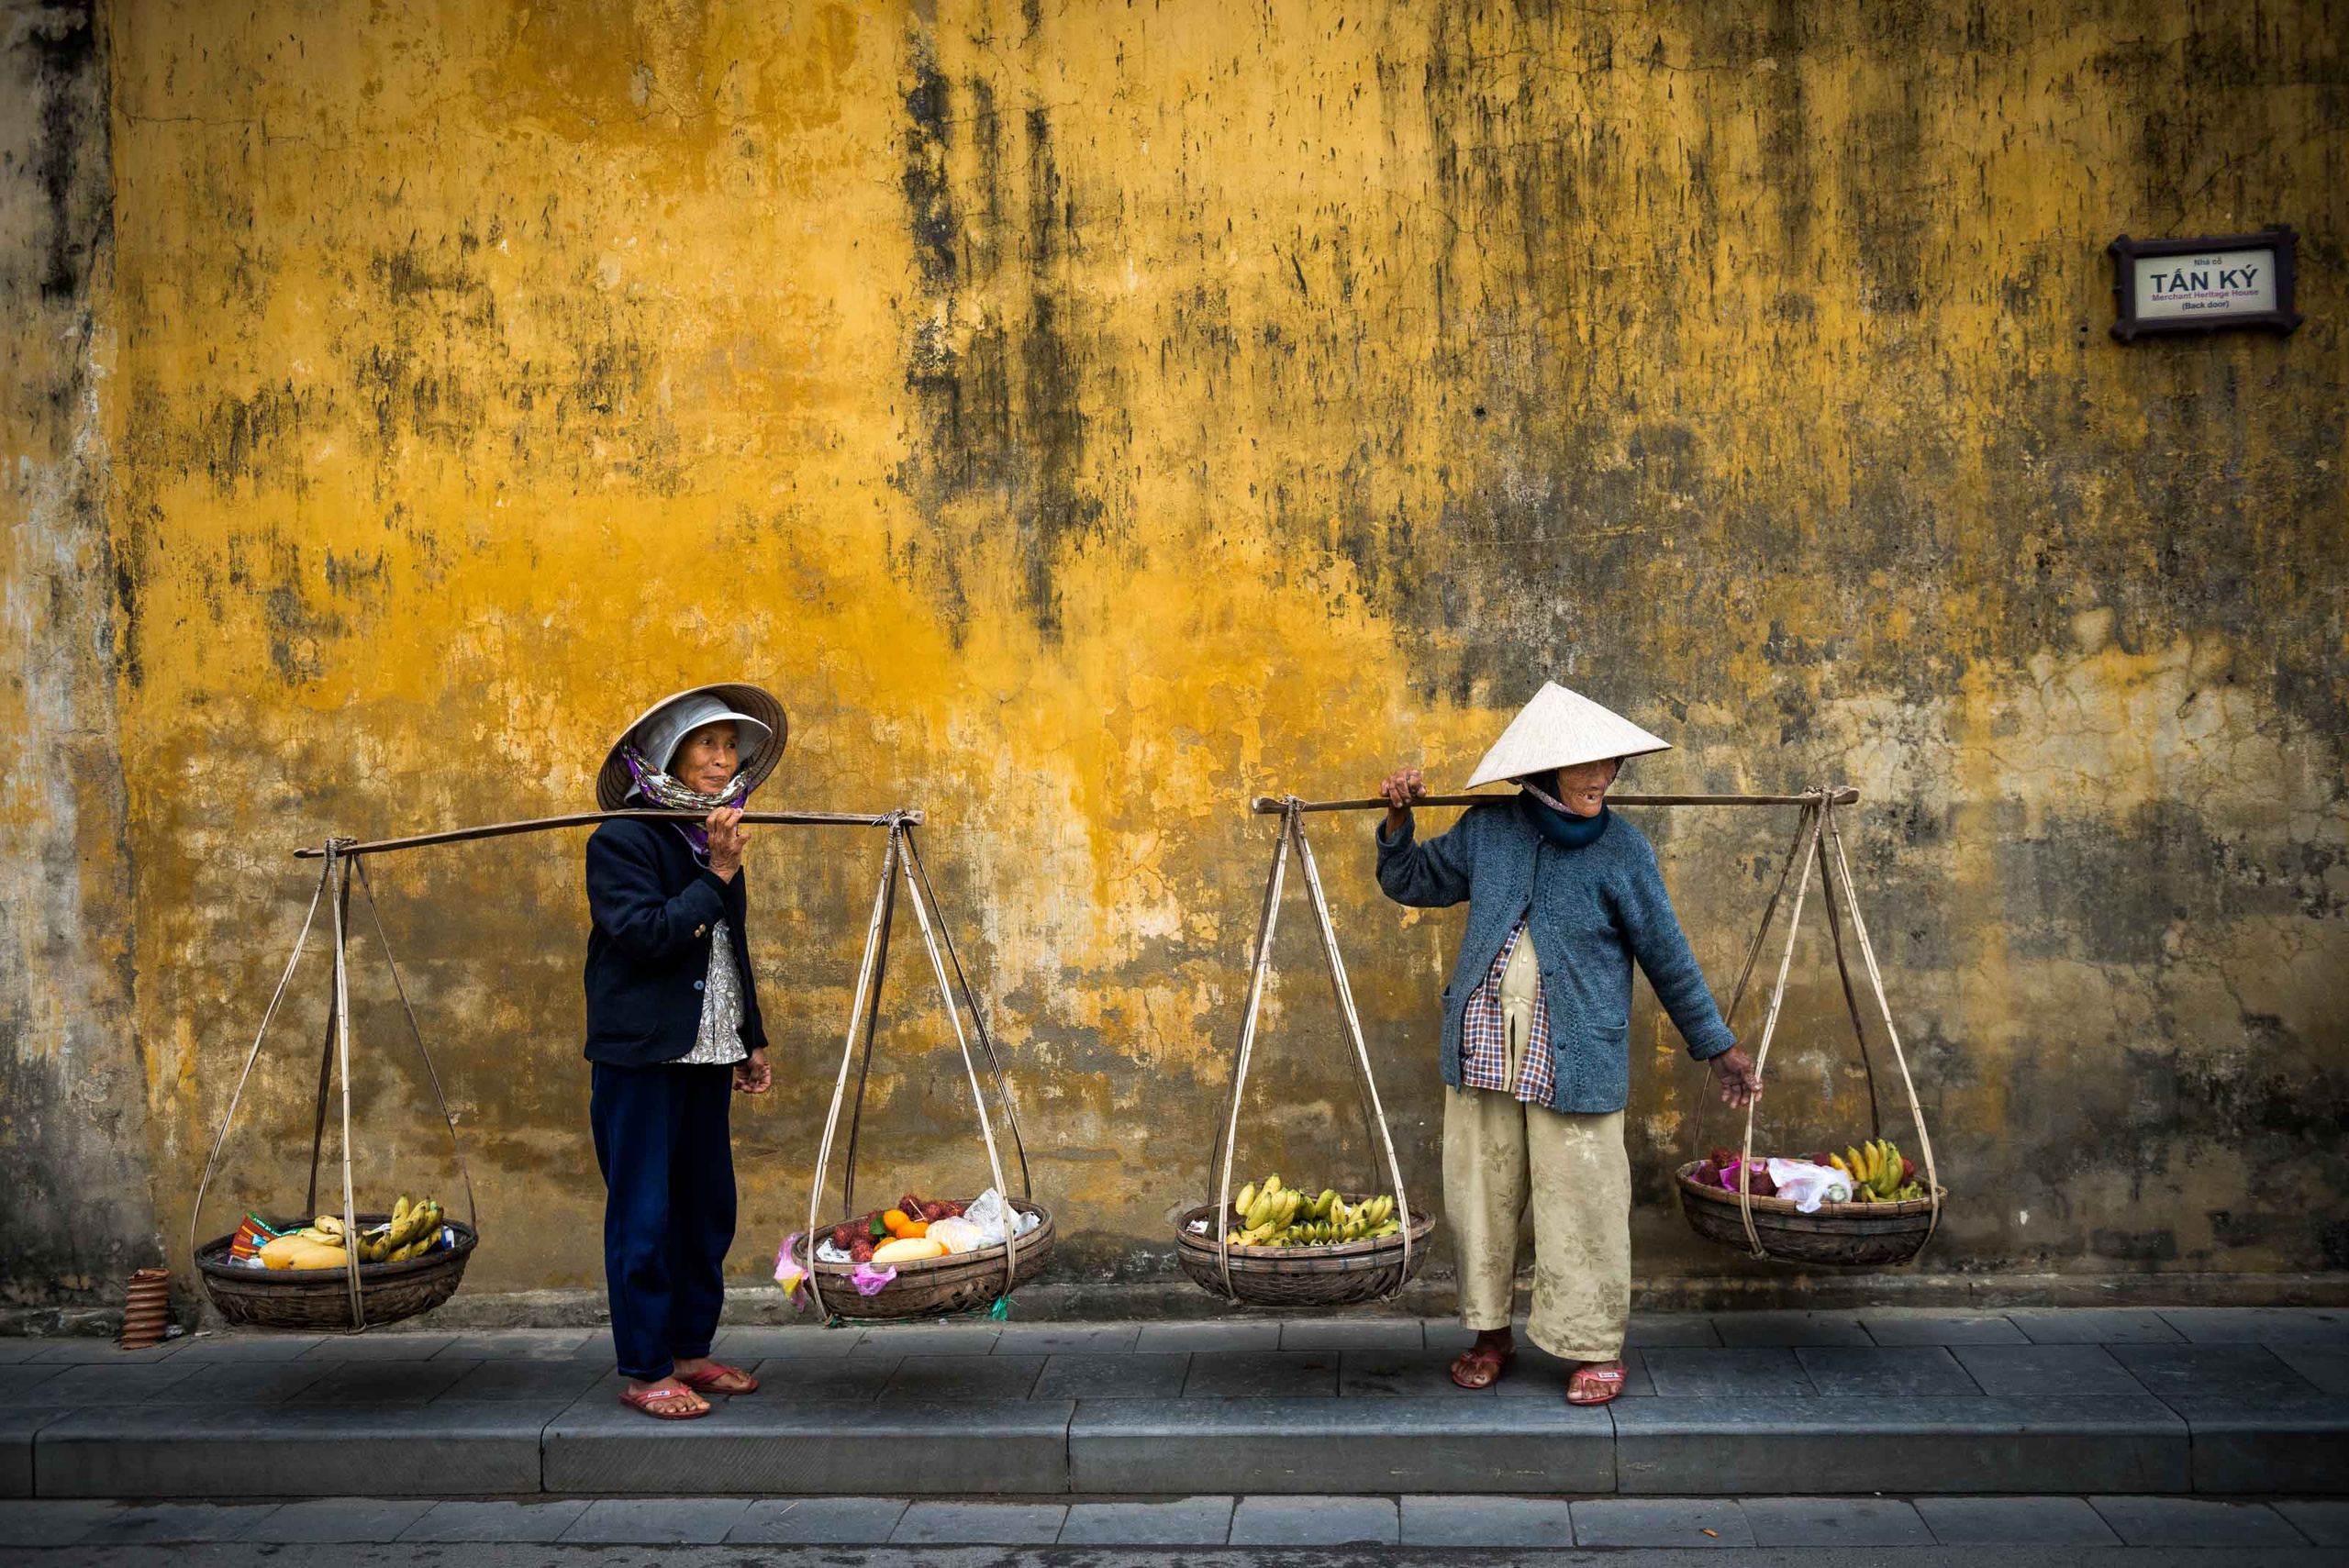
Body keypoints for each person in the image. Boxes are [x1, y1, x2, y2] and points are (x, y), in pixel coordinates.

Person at [1373, 683, 1763, 1405]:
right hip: (1485, 1052)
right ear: (1543, 770)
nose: (1602, 777)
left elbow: (1667, 956)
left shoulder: (1623, 851)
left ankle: (1590, 1342)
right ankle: (1490, 1332)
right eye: (1585, 765)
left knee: (1583, 1201)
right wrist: (1398, 823)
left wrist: (1718, 1045)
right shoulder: (1488, 831)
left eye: (1609, 764)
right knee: (1481, 1197)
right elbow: (1412, 880)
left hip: (1576, 1058)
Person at [584, 684, 788, 1420]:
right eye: (707, 743)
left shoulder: (711, 840)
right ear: (668, 753)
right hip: (640, 1055)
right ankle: (643, 1366)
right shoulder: (621, 840)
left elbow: (730, 949)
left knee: (705, 1206)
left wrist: (748, 1038)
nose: (722, 757)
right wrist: (718, 875)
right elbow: (644, 933)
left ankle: (689, 1350)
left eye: (731, 746)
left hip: (705, 1051)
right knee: (643, 1210)